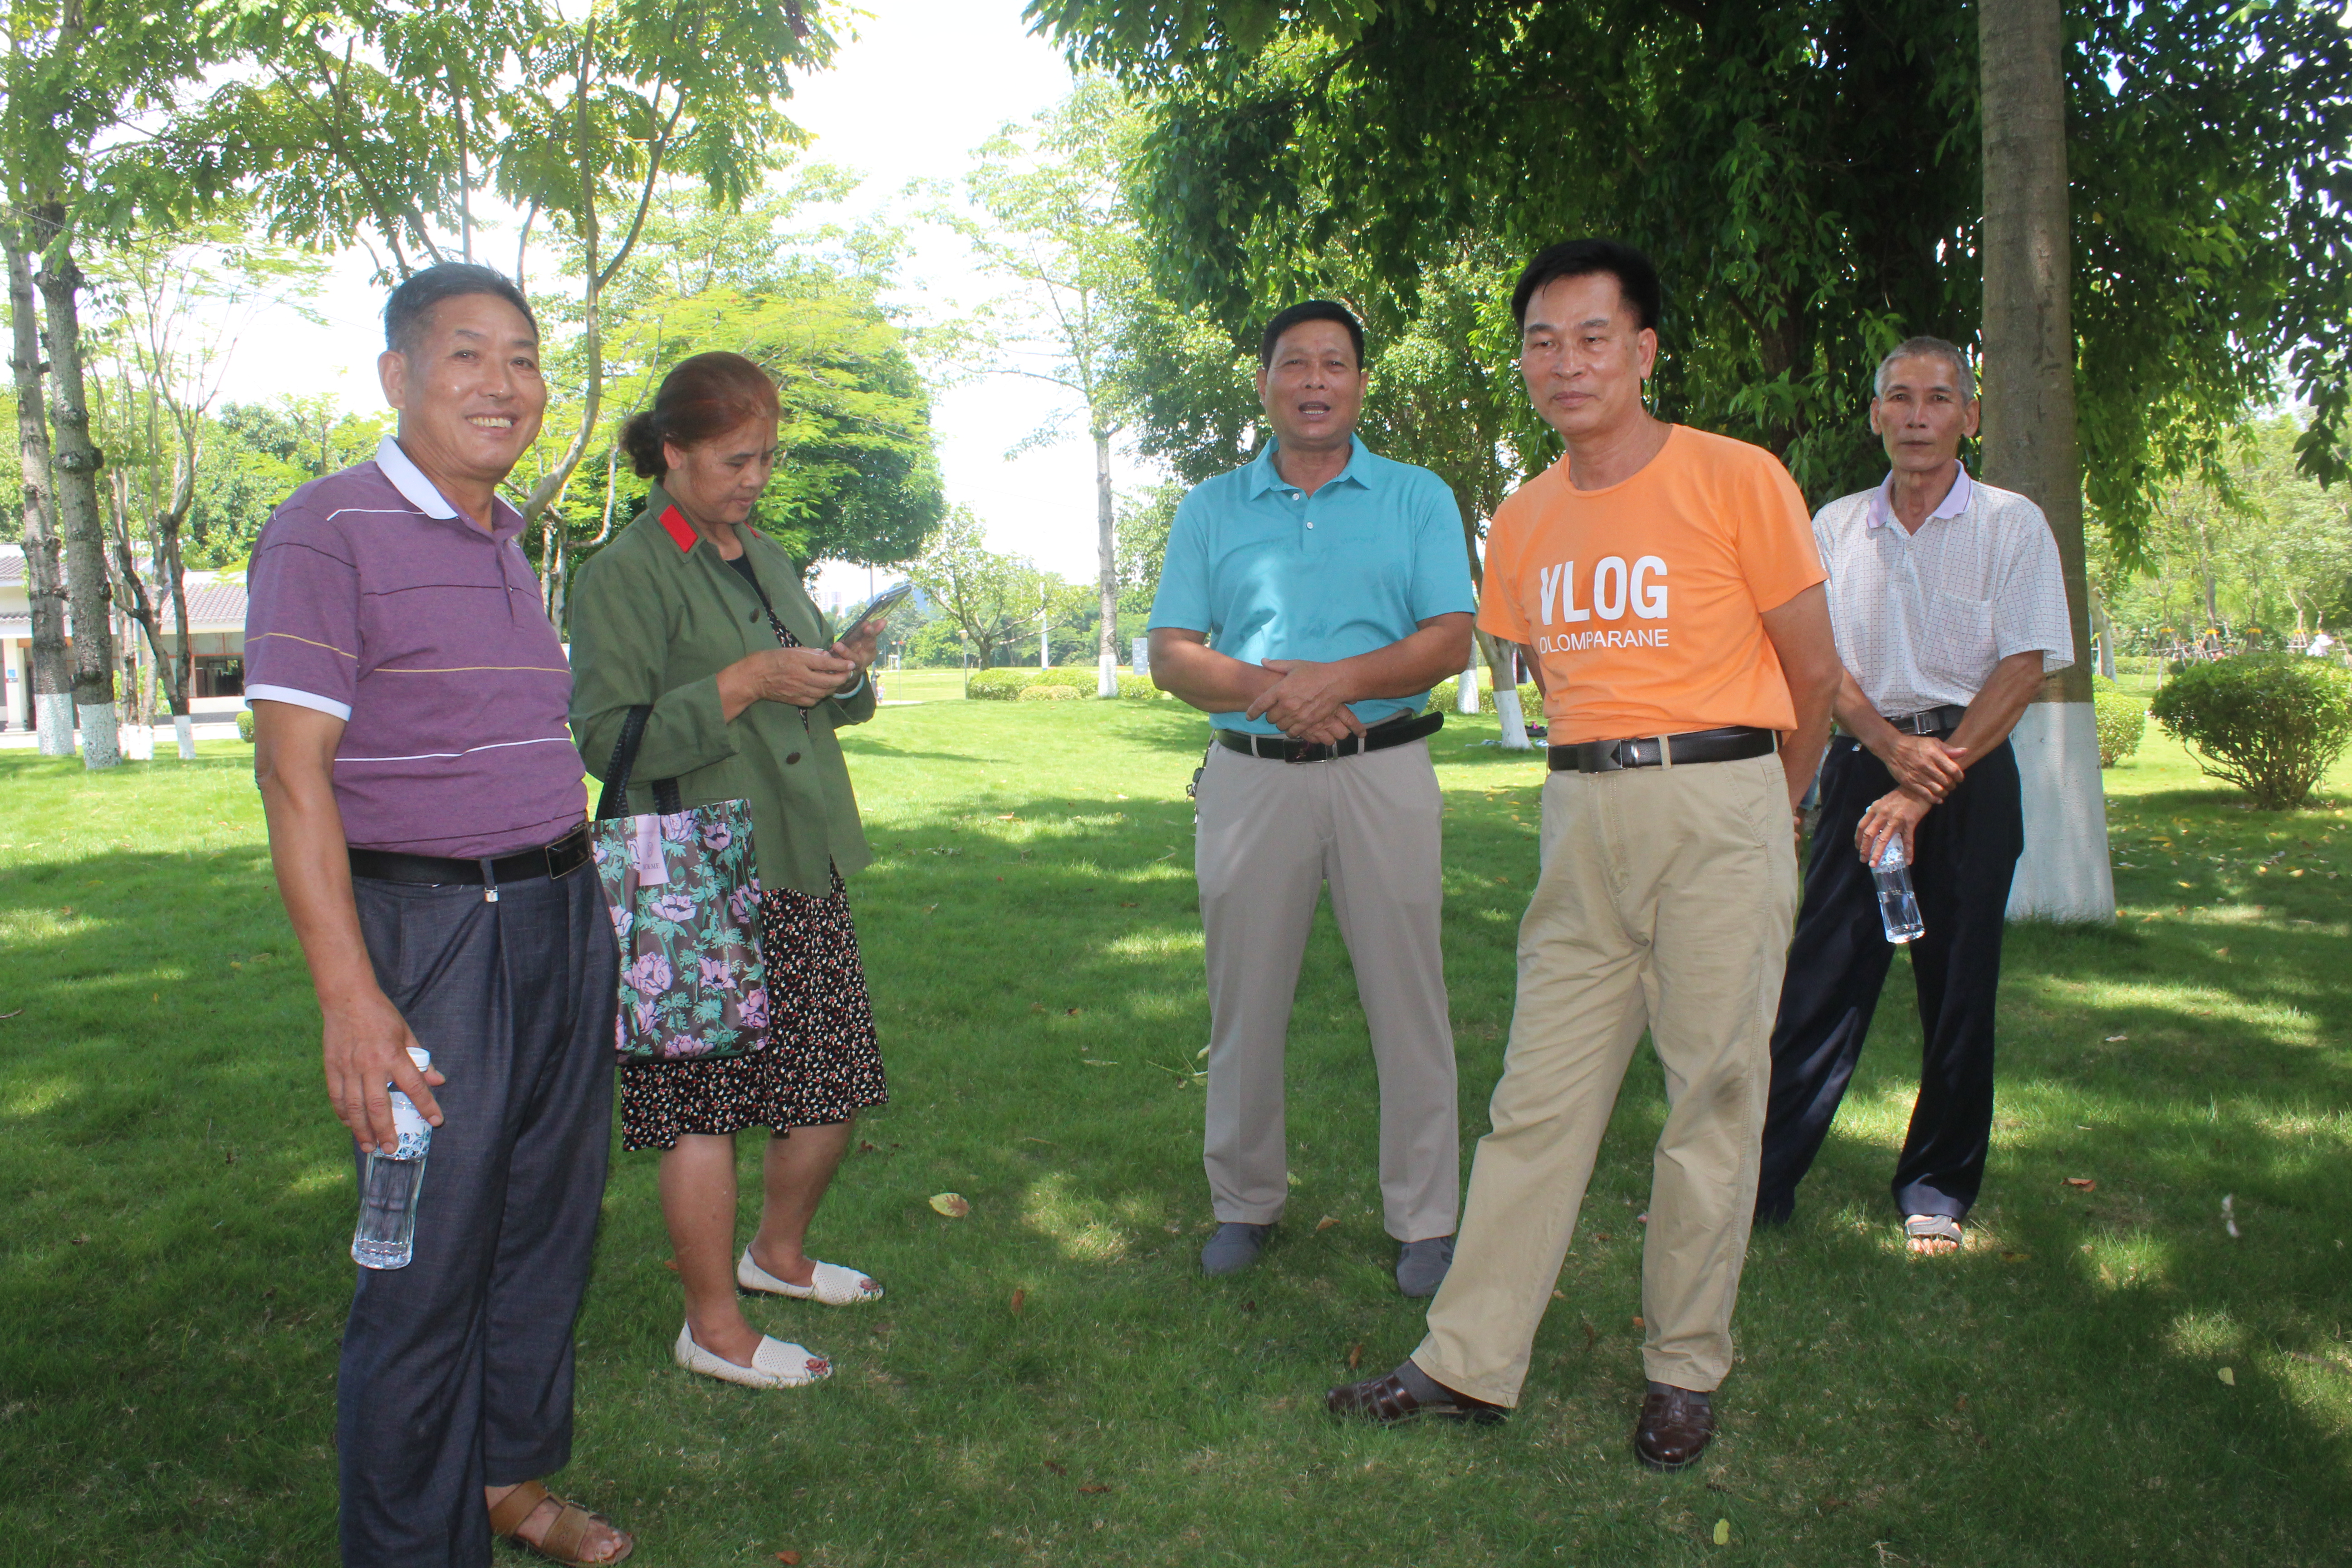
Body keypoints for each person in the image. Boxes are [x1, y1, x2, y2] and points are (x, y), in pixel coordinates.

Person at [1327, 240, 1842, 1471]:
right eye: (1542, 342)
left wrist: (1773, 806)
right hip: (1582, 814)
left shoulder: (1738, 478)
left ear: (1644, 350)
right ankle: (1466, 1362)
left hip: (1720, 800)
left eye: (1592, 336)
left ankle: (1683, 1369)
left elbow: (1816, 673)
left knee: (1713, 1100)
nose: (1565, 363)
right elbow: (1555, 680)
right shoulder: (1525, 517)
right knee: (1534, 1103)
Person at [246, 263, 632, 1566]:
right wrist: (354, 1004)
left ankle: (505, 1492)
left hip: (560, 917)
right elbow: (291, 777)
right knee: (423, 1279)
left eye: (523, 358)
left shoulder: (507, 533)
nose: (505, 385)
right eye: (468, 355)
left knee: (543, 1237)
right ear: (397, 377)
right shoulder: (326, 530)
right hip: (432, 942)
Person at [568, 351, 888, 1392]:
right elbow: (606, 740)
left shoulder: (768, 552)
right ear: (674, 454)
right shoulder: (624, 572)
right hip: (692, 874)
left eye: (766, 458)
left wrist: (842, 673)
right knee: (701, 1110)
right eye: (734, 459)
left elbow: (804, 690)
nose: (754, 479)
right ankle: (713, 1325)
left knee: (830, 1074)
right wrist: (740, 685)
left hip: (799, 847)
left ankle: (778, 1257)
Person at [1147, 300, 1477, 1295]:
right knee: (1244, 1002)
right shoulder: (1211, 507)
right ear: (1265, 385)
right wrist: (1274, 694)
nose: (1316, 381)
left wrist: (1336, 683)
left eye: (1336, 364)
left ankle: (1428, 1218)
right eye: (1296, 365)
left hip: (1386, 770)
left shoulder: (1418, 497)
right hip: (1251, 779)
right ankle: (1243, 1204)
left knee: (1406, 998)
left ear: (1362, 384)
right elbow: (1171, 654)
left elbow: (1447, 640)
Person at [1753, 337, 2073, 1254]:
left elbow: (2022, 666)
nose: (1919, 417)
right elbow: (1819, 662)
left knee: (1959, 989)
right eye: (1901, 398)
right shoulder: (1836, 525)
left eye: (1940, 399)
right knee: (1820, 980)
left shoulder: (2012, 525)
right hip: (1865, 764)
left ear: (1970, 416)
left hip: (1971, 775)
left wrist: (1929, 782)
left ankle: (1937, 1186)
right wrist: (1891, 749)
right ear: (1877, 416)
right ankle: (1761, 1180)